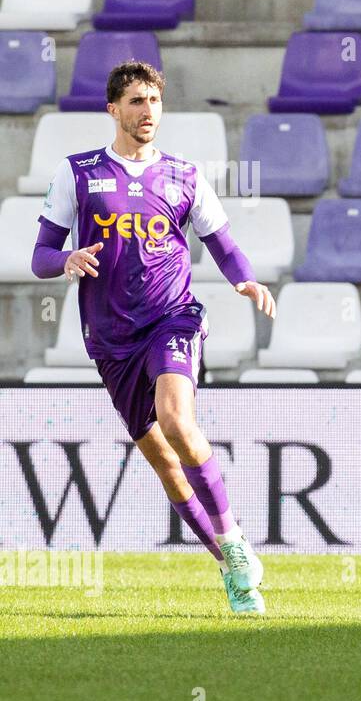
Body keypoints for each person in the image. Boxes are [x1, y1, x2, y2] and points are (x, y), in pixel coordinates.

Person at [30, 60, 276, 615]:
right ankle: (233, 574)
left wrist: (246, 280)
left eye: (154, 102)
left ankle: (234, 541)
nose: (147, 112)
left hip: (173, 317)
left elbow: (221, 240)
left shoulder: (185, 175)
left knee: (177, 420)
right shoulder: (79, 172)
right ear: (112, 109)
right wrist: (66, 258)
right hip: (111, 338)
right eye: (136, 102)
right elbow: (40, 255)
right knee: (166, 464)